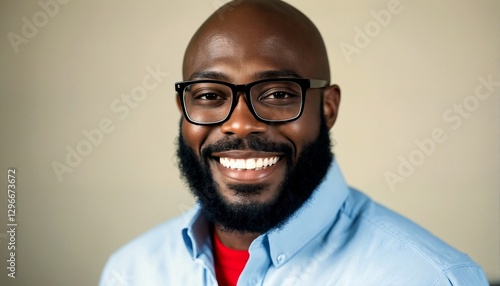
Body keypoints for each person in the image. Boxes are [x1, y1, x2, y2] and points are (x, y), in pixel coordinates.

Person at [99, 1, 489, 285]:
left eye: (278, 94)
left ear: (329, 107)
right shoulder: (130, 272)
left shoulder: (427, 277)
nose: (239, 123)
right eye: (209, 95)